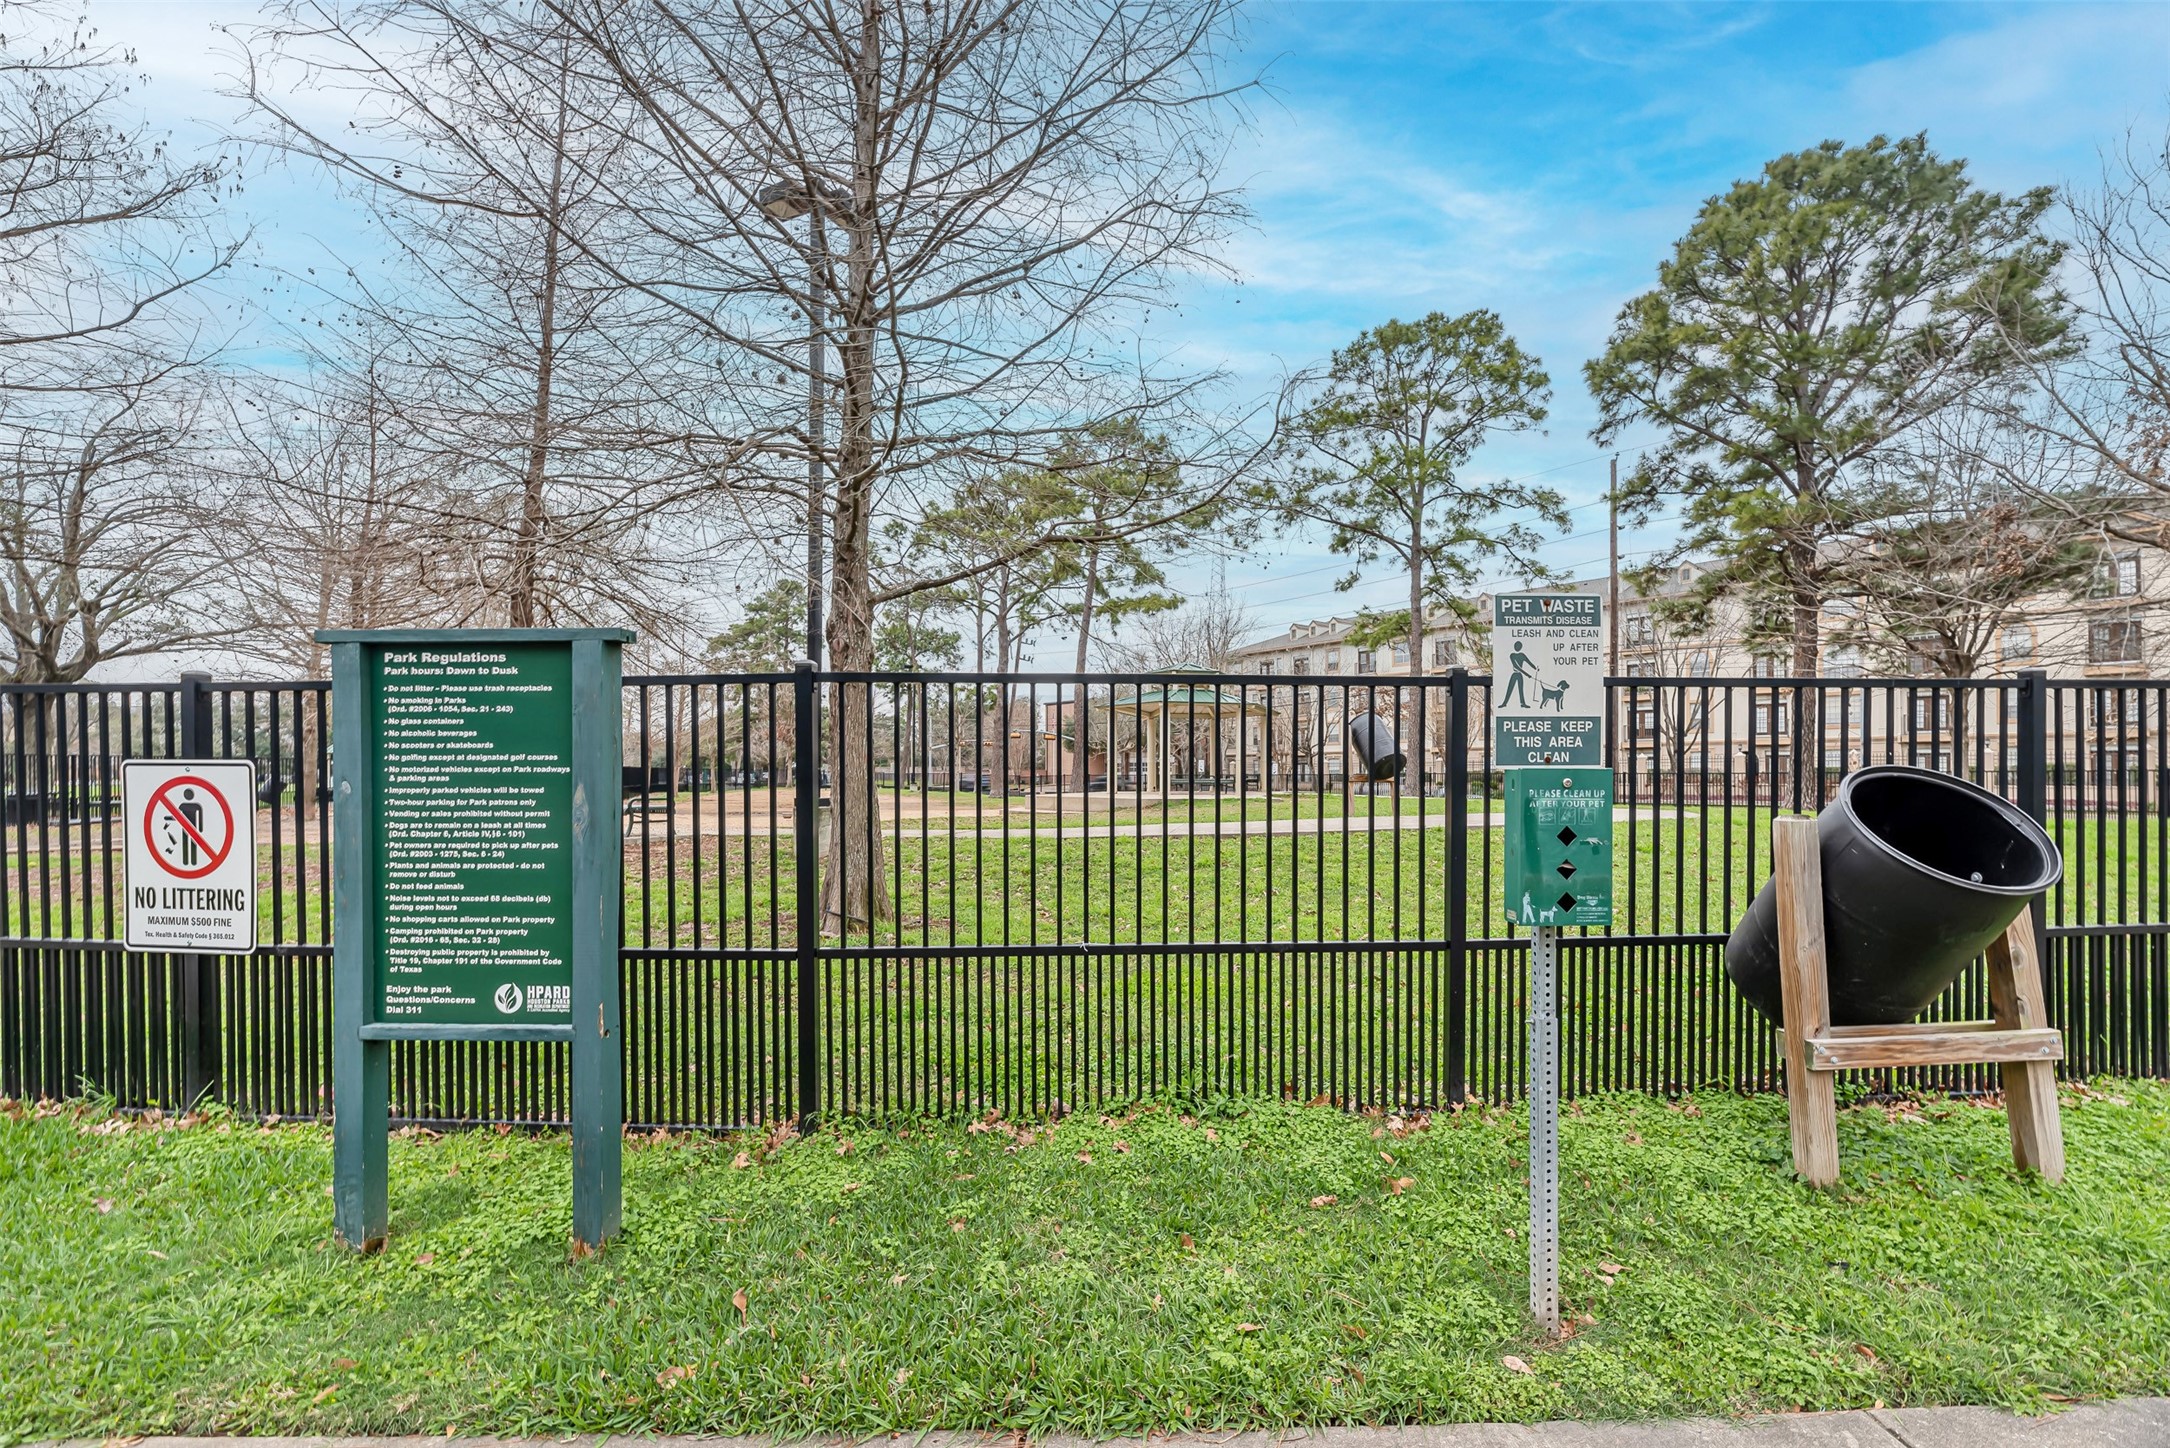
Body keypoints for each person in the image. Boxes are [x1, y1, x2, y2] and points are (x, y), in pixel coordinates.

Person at [1498, 640, 1538, 708]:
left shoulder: (1522, 655)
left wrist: (1535, 668)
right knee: (1509, 688)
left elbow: (1529, 662)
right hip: (1514, 674)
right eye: (1516, 646)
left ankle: (1523, 703)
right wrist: (1527, 674)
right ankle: (1504, 703)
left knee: (1521, 689)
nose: (1517, 647)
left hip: (1519, 675)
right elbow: (1516, 666)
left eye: (1518, 646)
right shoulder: (1512, 655)